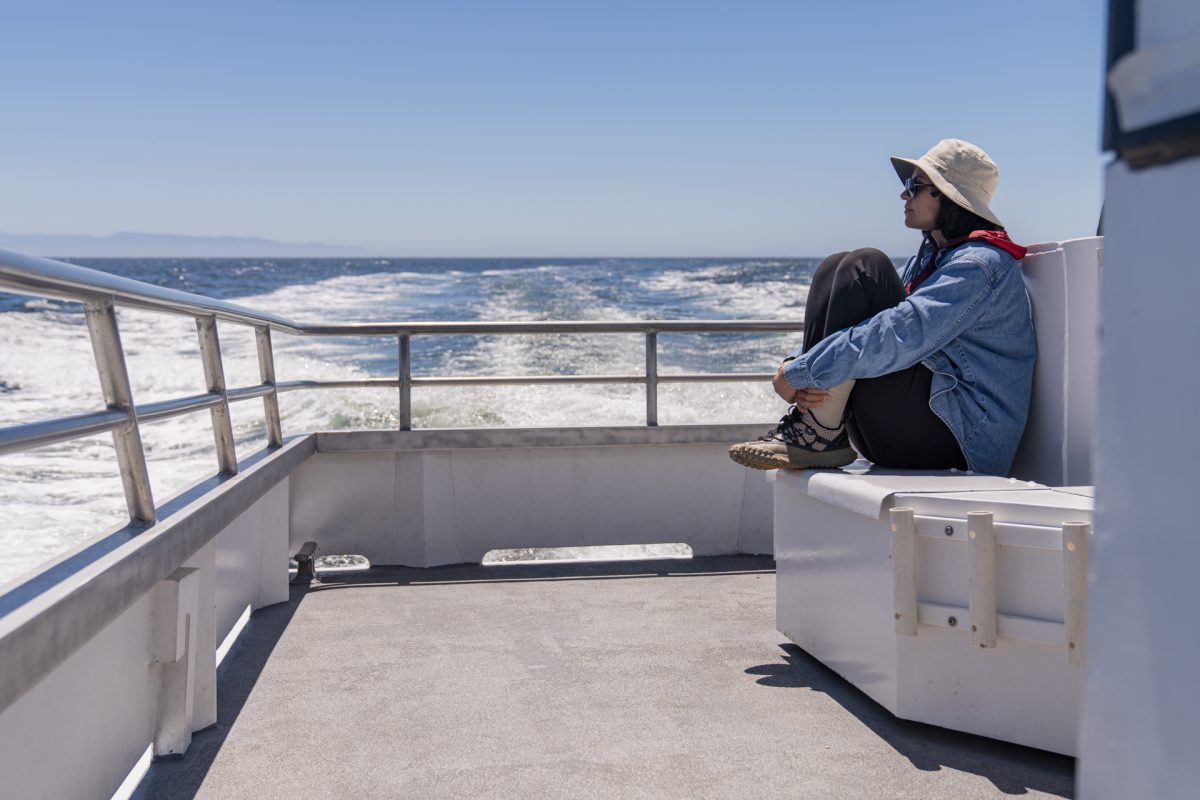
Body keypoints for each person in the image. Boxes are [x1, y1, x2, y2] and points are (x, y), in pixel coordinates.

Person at [729, 139, 1036, 476]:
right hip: (907, 432)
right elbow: (869, 323)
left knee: (866, 267)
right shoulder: (933, 257)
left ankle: (817, 432)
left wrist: (801, 372)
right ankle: (818, 429)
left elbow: (900, 333)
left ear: (948, 196)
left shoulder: (980, 265)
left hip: (958, 441)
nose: (904, 196)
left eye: (914, 186)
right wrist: (798, 365)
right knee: (836, 266)